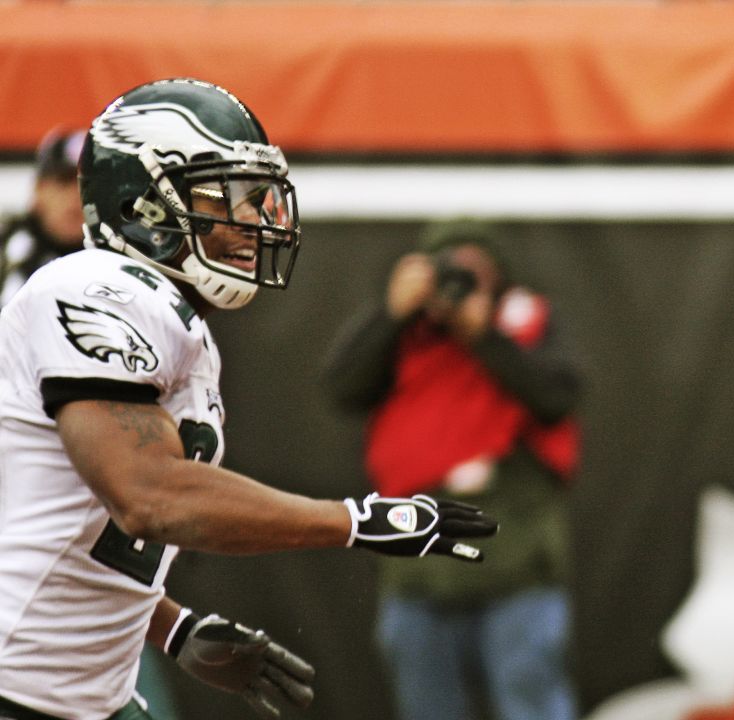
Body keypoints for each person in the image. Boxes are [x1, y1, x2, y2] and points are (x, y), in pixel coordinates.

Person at [0, 78, 498, 720]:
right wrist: (352, 520)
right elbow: (148, 496)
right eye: (229, 196)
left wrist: (171, 627)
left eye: (260, 198)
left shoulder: (178, 325)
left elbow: (62, 525)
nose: (255, 221)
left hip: (79, 697)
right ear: (142, 207)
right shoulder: (96, 288)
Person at [322, 220, 581, 720]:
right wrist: (391, 315)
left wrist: (483, 334)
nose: (456, 287)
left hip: (517, 566)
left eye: (473, 274)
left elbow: (556, 397)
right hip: (418, 571)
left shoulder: (528, 325)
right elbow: (342, 390)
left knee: (531, 702)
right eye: (446, 272)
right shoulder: (403, 339)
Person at [0, 127, 88, 307]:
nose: (76, 195)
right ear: (39, 189)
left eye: (86, 184)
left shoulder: (120, 259)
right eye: (63, 181)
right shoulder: (7, 251)